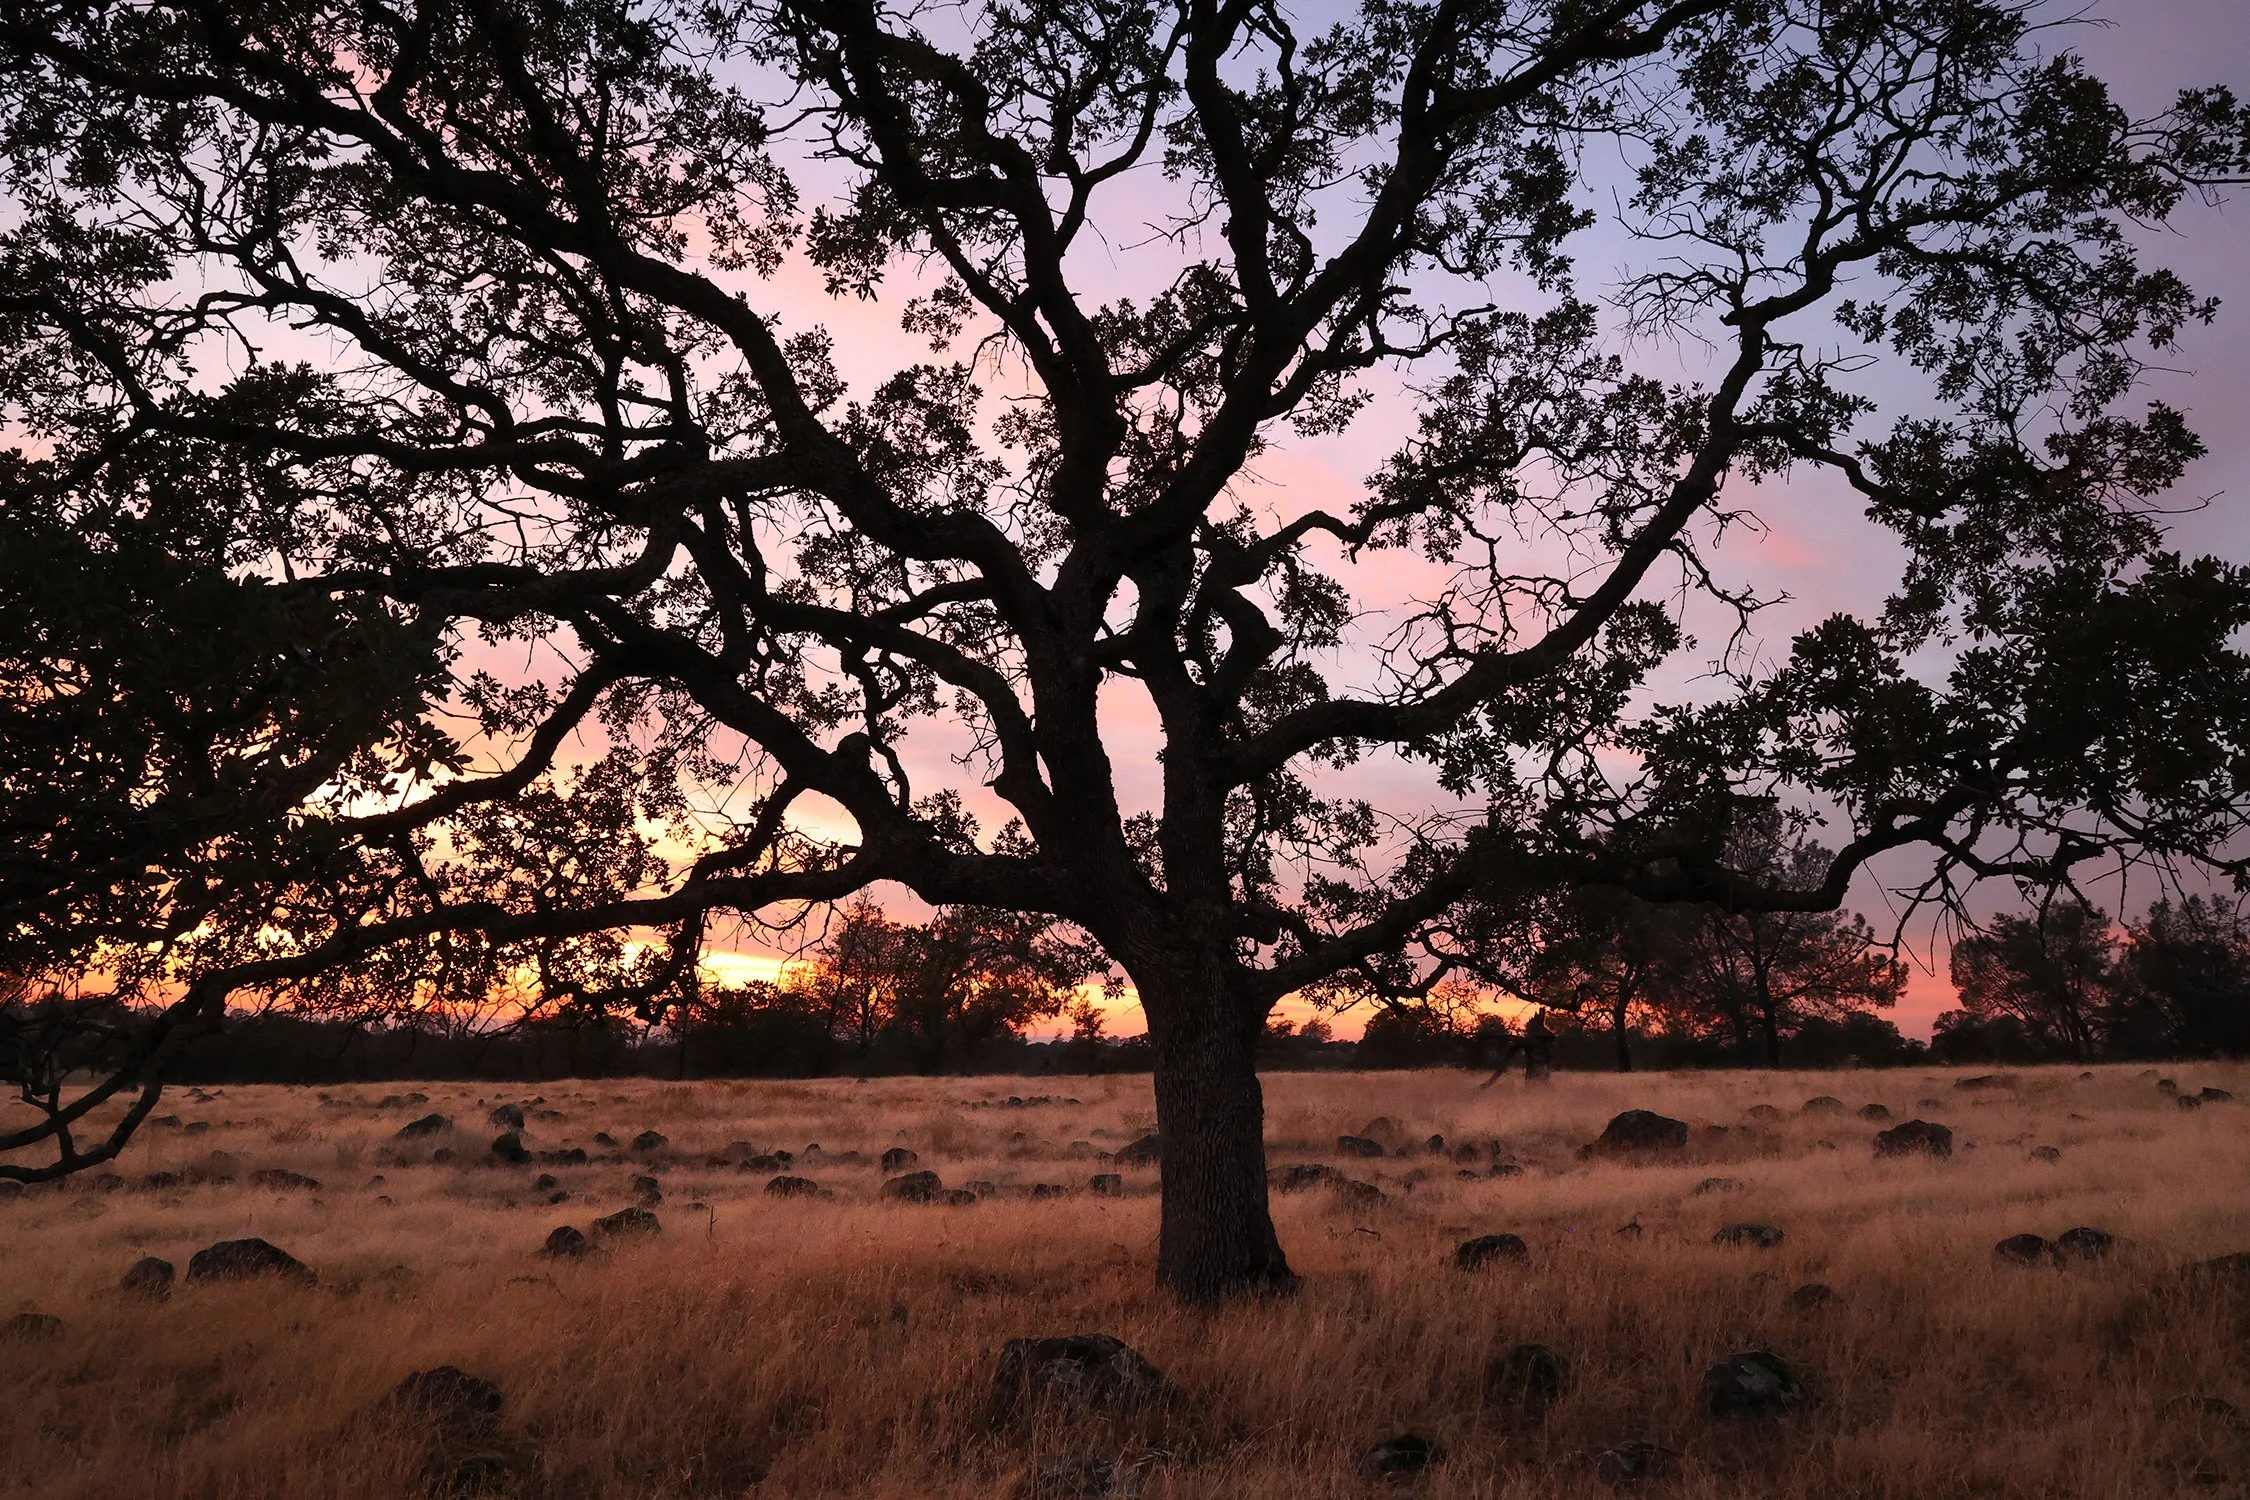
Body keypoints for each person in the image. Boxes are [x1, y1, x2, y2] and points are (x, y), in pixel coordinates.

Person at [1480, 1011, 1554, 1086]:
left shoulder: (1531, 1042)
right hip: (1543, 1072)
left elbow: (1512, 1038)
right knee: (1539, 1089)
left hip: (1536, 1073)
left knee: (1533, 1088)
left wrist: (1493, 1037)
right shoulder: (1545, 1042)